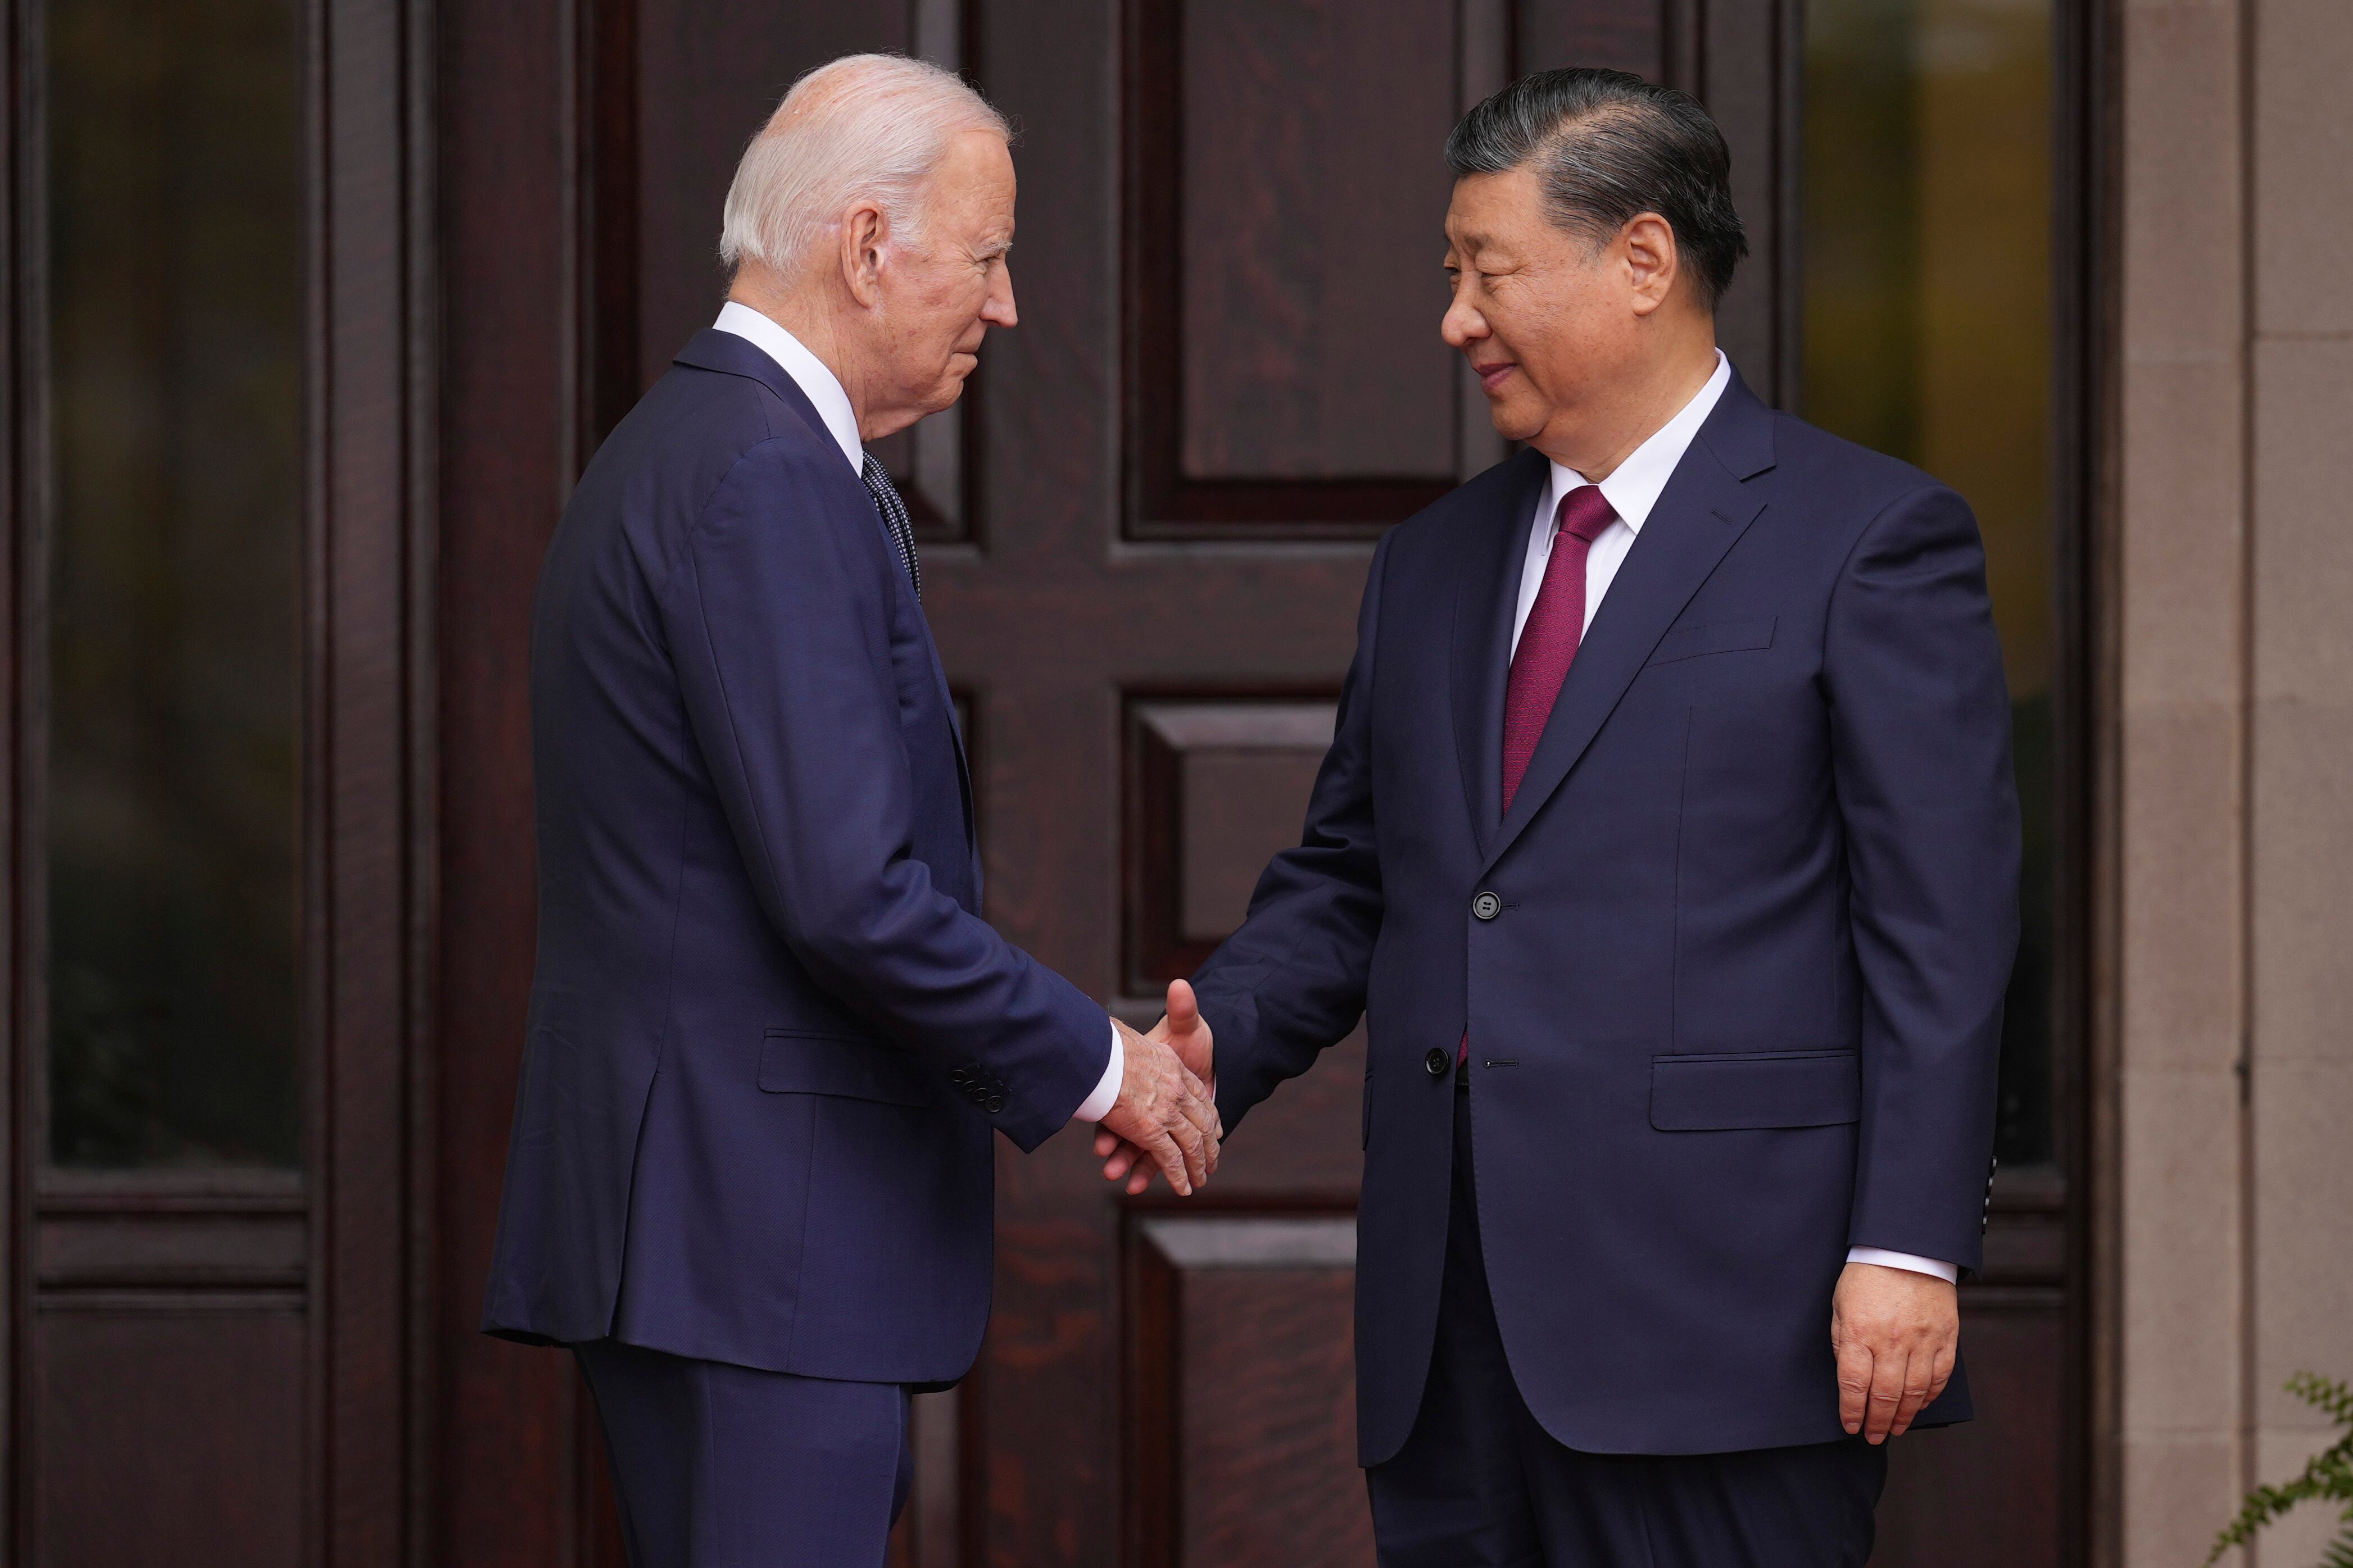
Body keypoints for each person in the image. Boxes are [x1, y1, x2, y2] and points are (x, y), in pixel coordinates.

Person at [1103, 67, 2017, 1566]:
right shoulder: (1433, 562)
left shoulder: (1866, 539)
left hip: (1728, 1325)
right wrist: (1230, 1036)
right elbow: (1355, 871)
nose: (1455, 318)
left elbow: (1940, 926)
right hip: (1450, 1335)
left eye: (1486, 272)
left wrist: (1906, 1244)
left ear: (1642, 263)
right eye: (1450, 276)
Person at [478, 53, 1218, 1568]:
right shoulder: (760, 473)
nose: (1006, 308)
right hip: (752, 1243)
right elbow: (847, 895)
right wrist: (1104, 1065)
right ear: (869, 244)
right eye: (990, 255)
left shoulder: (700, 447)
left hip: (710, 1235)